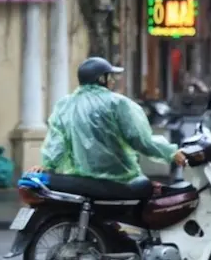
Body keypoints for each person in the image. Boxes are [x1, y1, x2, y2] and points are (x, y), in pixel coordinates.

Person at [35, 57, 187, 183]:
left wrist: (48, 165)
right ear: (102, 79)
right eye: (110, 77)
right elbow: (140, 140)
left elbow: (56, 141)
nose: (113, 81)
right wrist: (171, 153)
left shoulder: (65, 105)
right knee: (148, 188)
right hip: (119, 179)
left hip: (79, 180)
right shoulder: (116, 103)